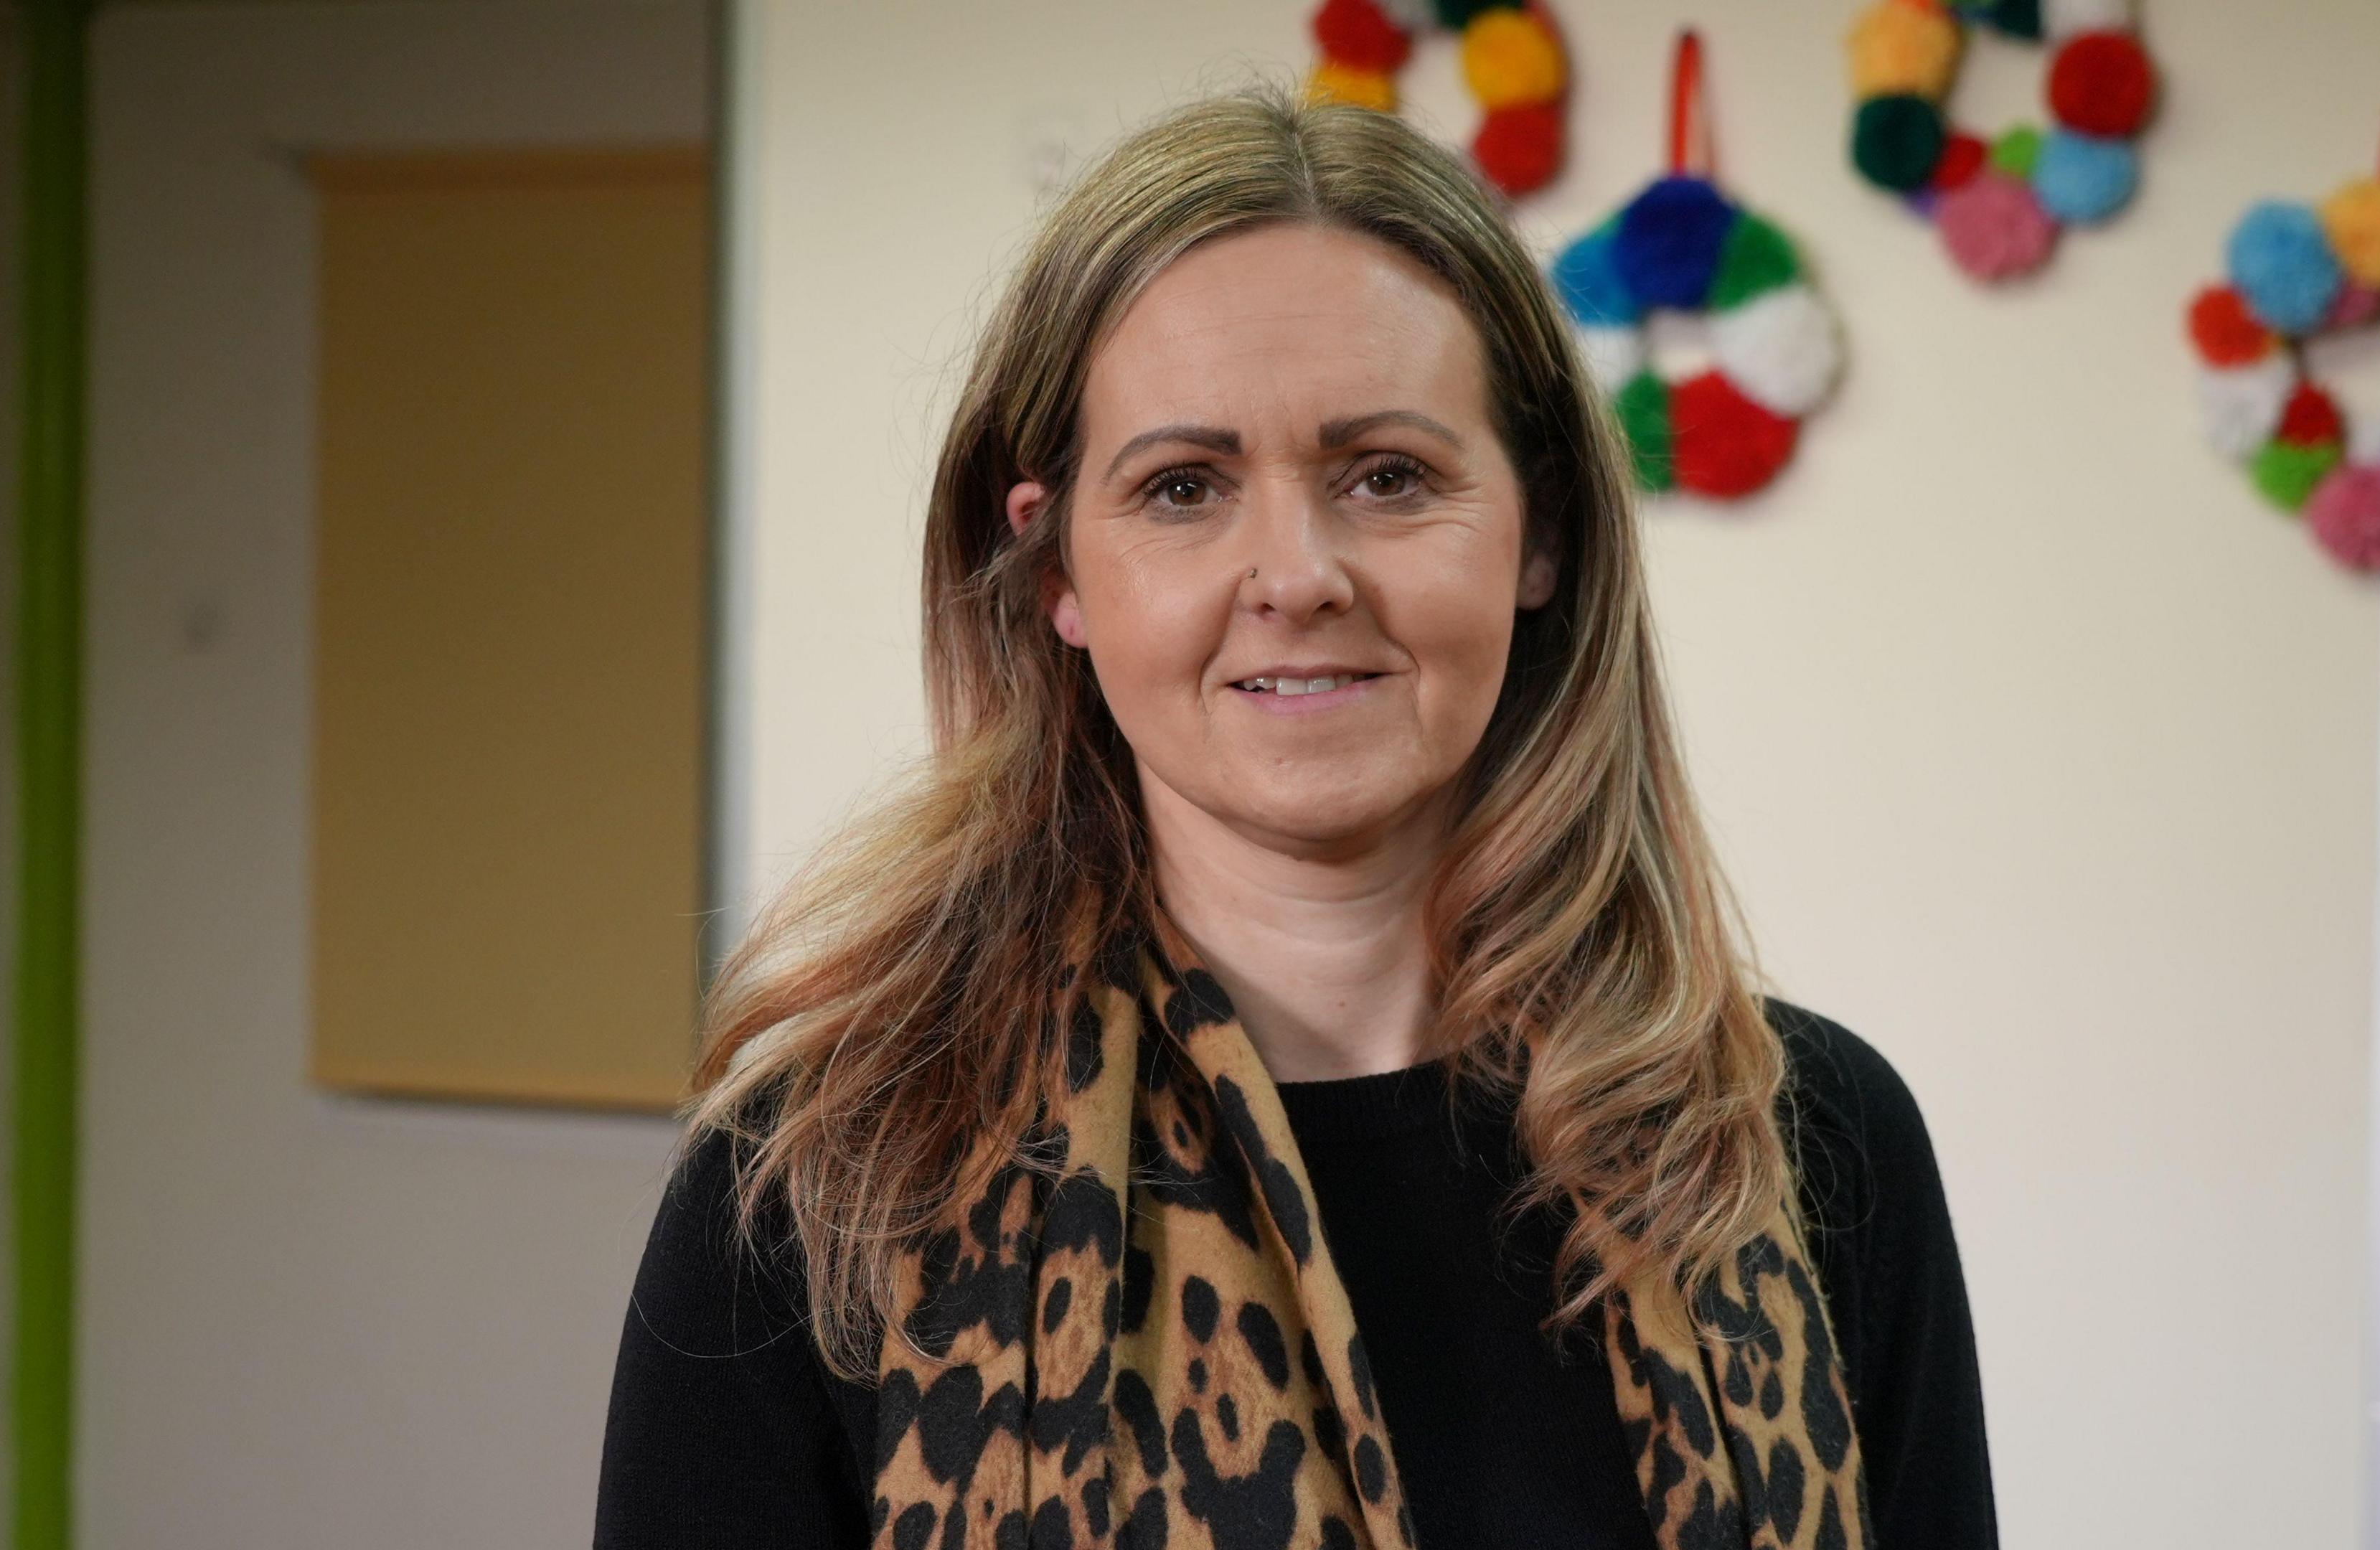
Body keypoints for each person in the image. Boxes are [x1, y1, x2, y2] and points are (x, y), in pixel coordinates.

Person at [595, 86, 1994, 1550]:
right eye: (1184, 487)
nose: (1297, 571)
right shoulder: (831, 1187)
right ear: (1055, 567)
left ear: (1545, 533)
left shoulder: (1804, 1143)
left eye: (1388, 478)